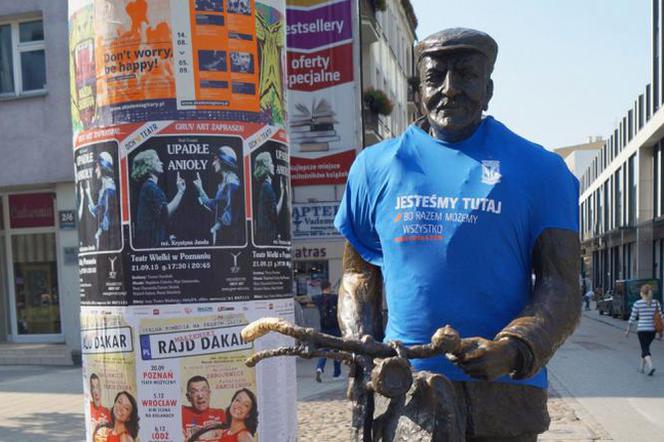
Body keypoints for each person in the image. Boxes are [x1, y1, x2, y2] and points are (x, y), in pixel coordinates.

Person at [334, 28, 580, 441]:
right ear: (419, 88)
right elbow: (358, 274)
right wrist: (359, 343)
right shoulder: (373, 167)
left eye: (466, 75)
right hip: (408, 393)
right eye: (435, 78)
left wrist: (516, 348)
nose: (450, 90)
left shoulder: (542, 170)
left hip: (504, 401)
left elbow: (562, 286)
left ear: (489, 87)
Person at [131, 149, 186, 248]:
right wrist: (180, 192)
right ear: (149, 165)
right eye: (157, 161)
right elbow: (165, 214)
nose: (161, 163)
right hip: (153, 244)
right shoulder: (151, 188)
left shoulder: (148, 187)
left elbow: (158, 220)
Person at [194, 146, 243, 245]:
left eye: (215, 160)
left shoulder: (232, 183)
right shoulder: (224, 184)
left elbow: (230, 214)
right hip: (222, 235)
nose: (213, 163)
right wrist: (200, 188)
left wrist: (215, 228)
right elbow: (213, 205)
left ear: (224, 160)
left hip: (229, 238)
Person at [80, 152, 118, 250]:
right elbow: (96, 211)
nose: (95, 170)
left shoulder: (109, 189)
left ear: (104, 167)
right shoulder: (104, 188)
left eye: (97, 167)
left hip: (109, 238)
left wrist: (99, 232)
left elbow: (107, 216)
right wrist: (88, 194)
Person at [625, 284, 662, 376]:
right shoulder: (656, 303)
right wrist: (661, 330)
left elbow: (632, 318)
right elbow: (661, 316)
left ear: (641, 293)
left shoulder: (637, 303)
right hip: (652, 331)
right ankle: (641, 368)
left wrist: (628, 330)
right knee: (645, 348)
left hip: (642, 330)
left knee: (645, 349)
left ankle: (651, 366)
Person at [253, 151, 285, 244]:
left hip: (264, 235)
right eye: (271, 163)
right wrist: (283, 192)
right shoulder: (267, 188)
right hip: (268, 237)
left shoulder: (263, 186)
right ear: (266, 167)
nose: (273, 166)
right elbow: (275, 214)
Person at [182, 375, 226, 441]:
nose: (200, 396)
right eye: (194, 392)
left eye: (204, 390)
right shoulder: (182, 412)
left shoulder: (220, 414)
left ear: (209, 393)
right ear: (188, 397)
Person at [314, 280, 342, 382]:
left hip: (324, 328)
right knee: (336, 351)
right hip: (335, 328)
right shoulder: (335, 298)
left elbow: (310, 300)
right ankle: (336, 373)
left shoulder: (318, 299)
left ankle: (319, 368)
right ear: (329, 287)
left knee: (325, 350)